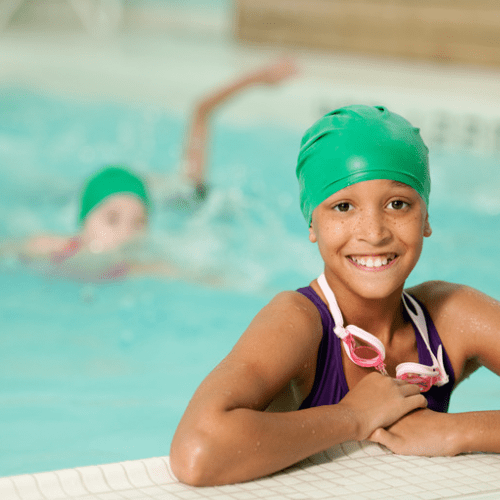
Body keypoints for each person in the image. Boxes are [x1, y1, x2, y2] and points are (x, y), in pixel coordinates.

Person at [169, 104, 500, 486]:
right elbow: (198, 452)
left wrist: (457, 432)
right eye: (343, 206)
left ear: (425, 217)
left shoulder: (450, 315)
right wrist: (352, 418)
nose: (374, 233)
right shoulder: (299, 321)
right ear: (313, 223)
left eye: (398, 204)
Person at [6, 57, 297, 280]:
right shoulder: (49, 247)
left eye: (139, 223)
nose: (126, 235)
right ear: (83, 222)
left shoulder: (144, 263)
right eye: (112, 220)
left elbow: (208, 279)